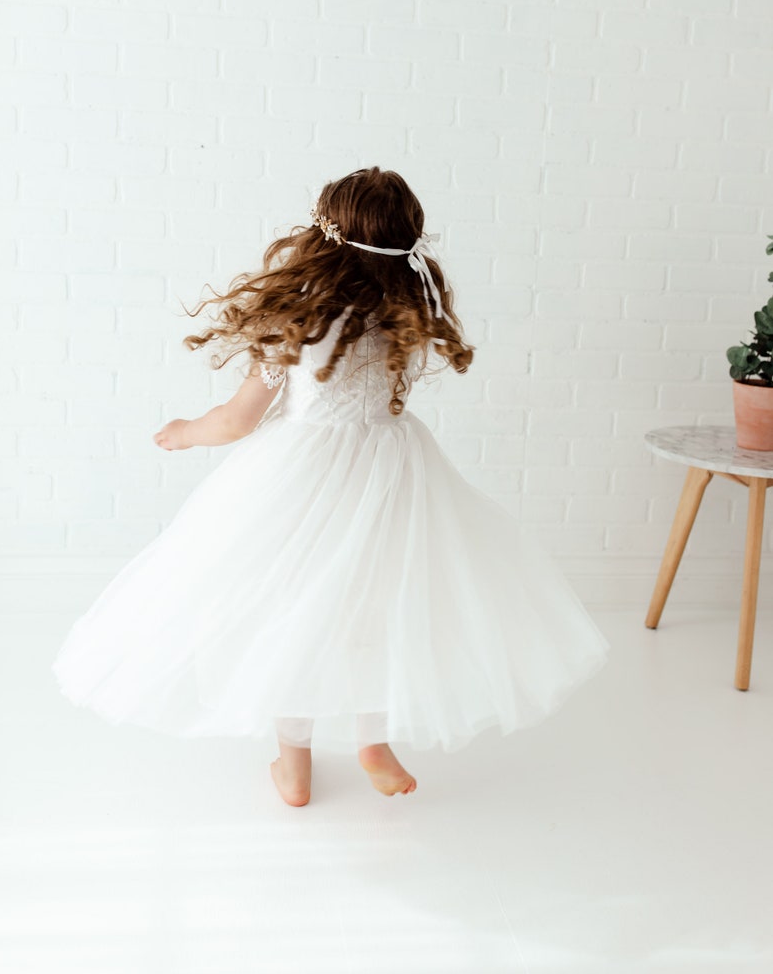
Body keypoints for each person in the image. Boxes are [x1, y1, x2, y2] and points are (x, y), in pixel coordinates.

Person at [52, 166, 609, 808]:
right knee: (374, 605)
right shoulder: (404, 308)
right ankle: (373, 743)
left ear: (324, 234)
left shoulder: (300, 315)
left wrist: (186, 431)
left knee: (294, 609)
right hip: (393, 469)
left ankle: (293, 765)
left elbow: (238, 420)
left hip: (301, 475)